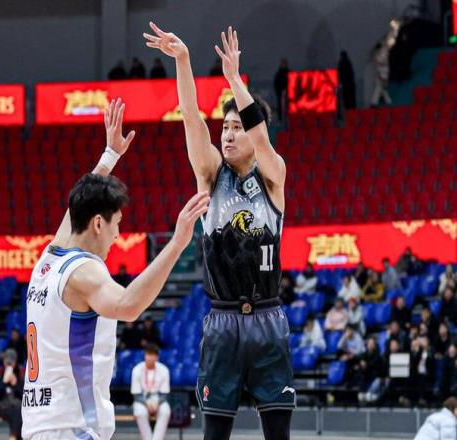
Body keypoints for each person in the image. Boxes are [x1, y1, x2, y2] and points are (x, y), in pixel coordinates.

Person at [21, 98, 209, 440]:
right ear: (98, 223)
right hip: (71, 427)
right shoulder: (84, 273)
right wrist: (178, 243)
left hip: (41, 423)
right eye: (116, 224)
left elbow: (79, 201)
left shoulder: (50, 257)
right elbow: (128, 306)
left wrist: (110, 156)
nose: (117, 235)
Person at [144, 23, 294, 440]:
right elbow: (192, 121)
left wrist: (233, 79)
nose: (228, 134)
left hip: (267, 318)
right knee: (214, 435)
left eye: (236, 127)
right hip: (223, 321)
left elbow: (261, 135)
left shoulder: (273, 176)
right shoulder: (211, 175)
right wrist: (183, 61)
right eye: (225, 127)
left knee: (278, 434)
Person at [131, 344, 171, 440]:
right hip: (142, 399)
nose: (149, 357)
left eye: (152, 355)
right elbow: (136, 394)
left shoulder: (164, 370)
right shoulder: (137, 369)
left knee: (165, 411)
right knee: (140, 412)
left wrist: (157, 404)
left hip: (158, 399)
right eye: (147, 354)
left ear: (157, 357)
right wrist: (147, 404)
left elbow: (164, 393)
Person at [0, 349, 23, 440]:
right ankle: (13, 436)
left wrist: (15, 384)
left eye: (11, 363)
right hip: (4, 407)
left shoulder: (19, 375)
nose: (9, 365)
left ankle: (13, 436)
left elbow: (22, 396)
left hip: (17, 406)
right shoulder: (0, 375)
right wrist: (4, 382)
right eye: (7, 363)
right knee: (17, 411)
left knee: (18, 410)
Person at [370, 42, 392, 106]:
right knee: (381, 88)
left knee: (379, 87)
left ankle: (374, 102)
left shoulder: (382, 53)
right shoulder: (380, 53)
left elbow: (382, 62)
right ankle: (387, 101)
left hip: (383, 72)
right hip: (381, 72)